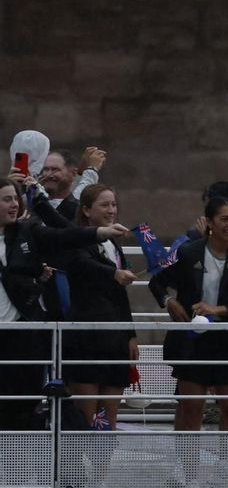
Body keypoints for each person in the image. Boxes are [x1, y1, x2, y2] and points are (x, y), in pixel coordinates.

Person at [149, 198, 228, 483]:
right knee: (191, 407)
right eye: (224, 219)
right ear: (209, 223)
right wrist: (169, 301)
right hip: (193, 341)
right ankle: (188, 475)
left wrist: (219, 310)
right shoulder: (188, 253)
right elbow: (157, 280)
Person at [1, 177, 126, 428]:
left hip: (22, 333)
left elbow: (64, 236)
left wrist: (100, 232)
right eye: (7, 199)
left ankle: (18, 466)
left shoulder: (27, 231)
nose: (14, 204)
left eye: (16, 198)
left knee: (23, 406)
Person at [59, 184, 137, 429]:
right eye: (104, 205)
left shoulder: (115, 243)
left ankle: (103, 468)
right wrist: (113, 273)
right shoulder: (76, 239)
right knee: (86, 419)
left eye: (114, 204)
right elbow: (81, 265)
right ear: (86, 210)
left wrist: (131, 334)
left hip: (114, 338)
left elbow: (121, 296)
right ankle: (77, 467)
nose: (111, 210)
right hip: (86, 336)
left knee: (108, 420)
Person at [37, 147, 106, 225]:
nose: (49, 174)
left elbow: (76, 195)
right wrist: (91, 169)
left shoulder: (75, 207)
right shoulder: (31, 202)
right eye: (46, 169)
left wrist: (82, 172)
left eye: (55, 169)